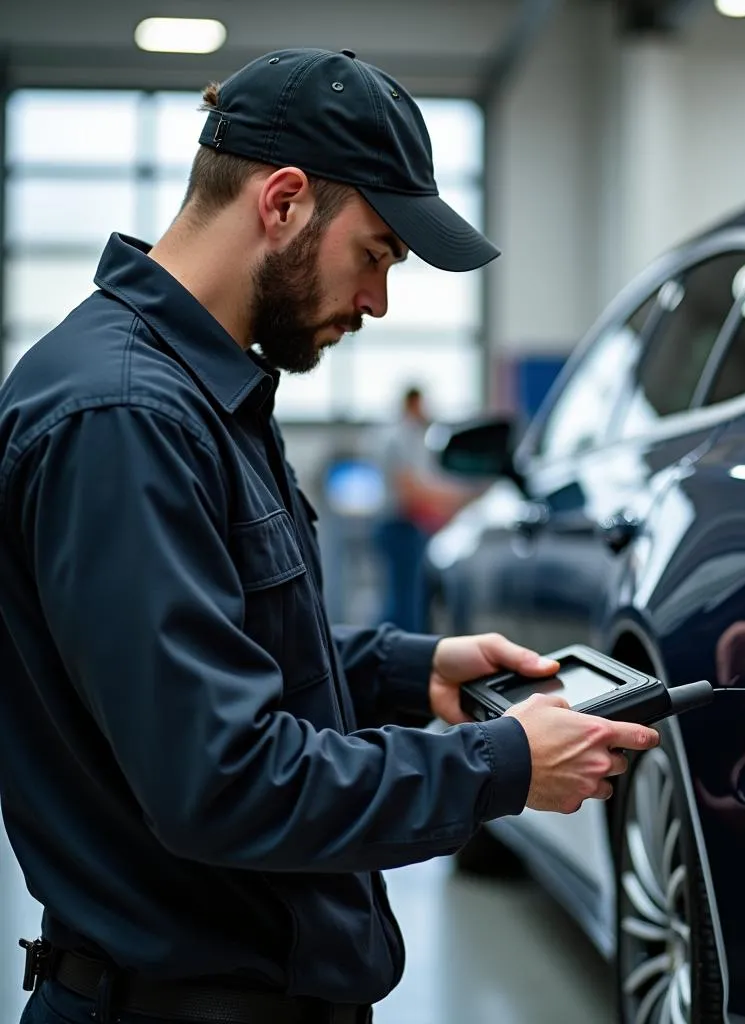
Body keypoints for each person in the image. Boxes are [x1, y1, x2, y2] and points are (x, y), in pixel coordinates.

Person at [0, 48, 661, 1024]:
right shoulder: (125, 416)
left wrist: (408, 668)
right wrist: (503, 764)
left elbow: (217, 657)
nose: (379, 300)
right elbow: (221, 780)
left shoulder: (205, 392)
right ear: (282, 202)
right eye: (378, 252)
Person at [375, 384, 472, 632]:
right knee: (405, 602)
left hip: (406, 527)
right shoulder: (400, 436)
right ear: (412, 403)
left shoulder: (409, 436)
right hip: (400, 527)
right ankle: (393, 655)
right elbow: (410, 489)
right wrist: (457, 498)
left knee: (407, 597)